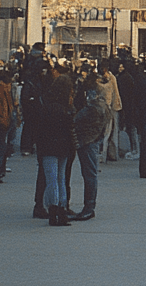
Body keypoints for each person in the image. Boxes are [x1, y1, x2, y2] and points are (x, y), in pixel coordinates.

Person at [71, 70, 110, 220]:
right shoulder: (101, 106)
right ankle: (89, 205)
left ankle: (89, 206)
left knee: (89, 175)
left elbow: (77, 120)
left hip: (87, 141)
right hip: (91, 140)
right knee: (90, 174)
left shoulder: (92, 108)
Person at [38, 74, 76, 227]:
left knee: (51, 179)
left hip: (48, 146)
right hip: (63, 146)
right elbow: (70, 129)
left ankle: (53, 210)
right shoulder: (67, 108)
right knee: (61, 178)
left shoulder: (46, 106)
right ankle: (62, 209)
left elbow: (39, 129)